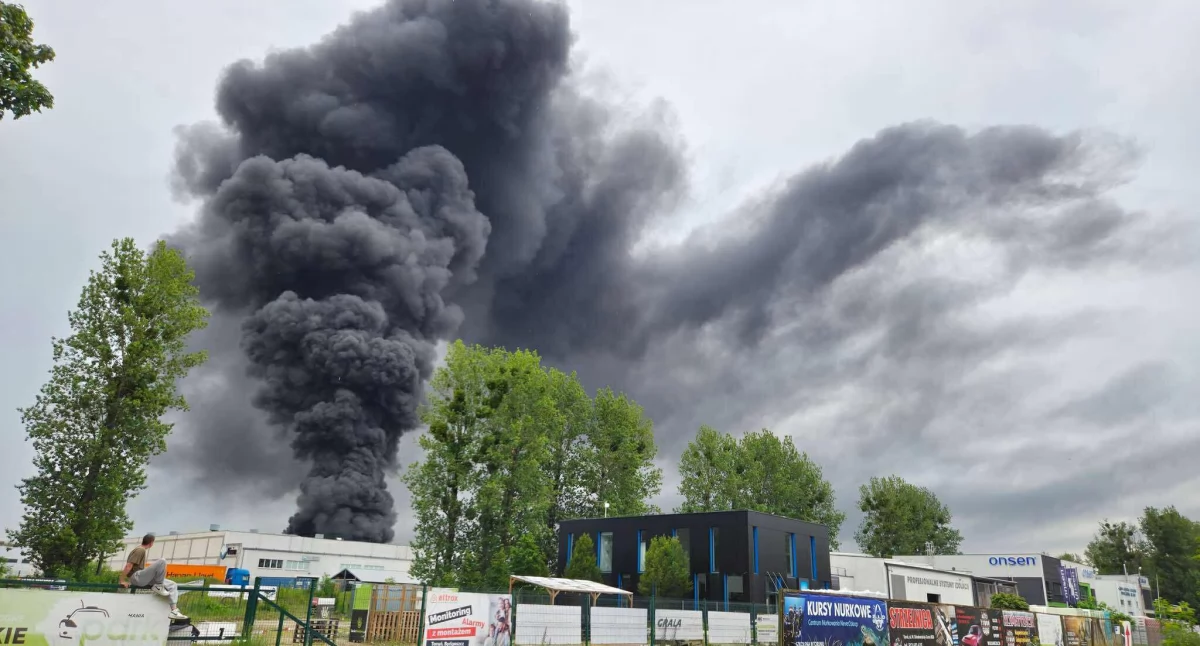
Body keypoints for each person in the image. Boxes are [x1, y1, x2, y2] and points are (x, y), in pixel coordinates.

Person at [119, 533, 187, 620]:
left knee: (172, 585)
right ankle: (158, 585)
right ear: (151, 543)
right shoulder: (140, 550)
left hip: (141, 577)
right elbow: (129, 565)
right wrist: (122, 580)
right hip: (136, 577)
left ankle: (174, 611)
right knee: (162, 561)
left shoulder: (140, 550)